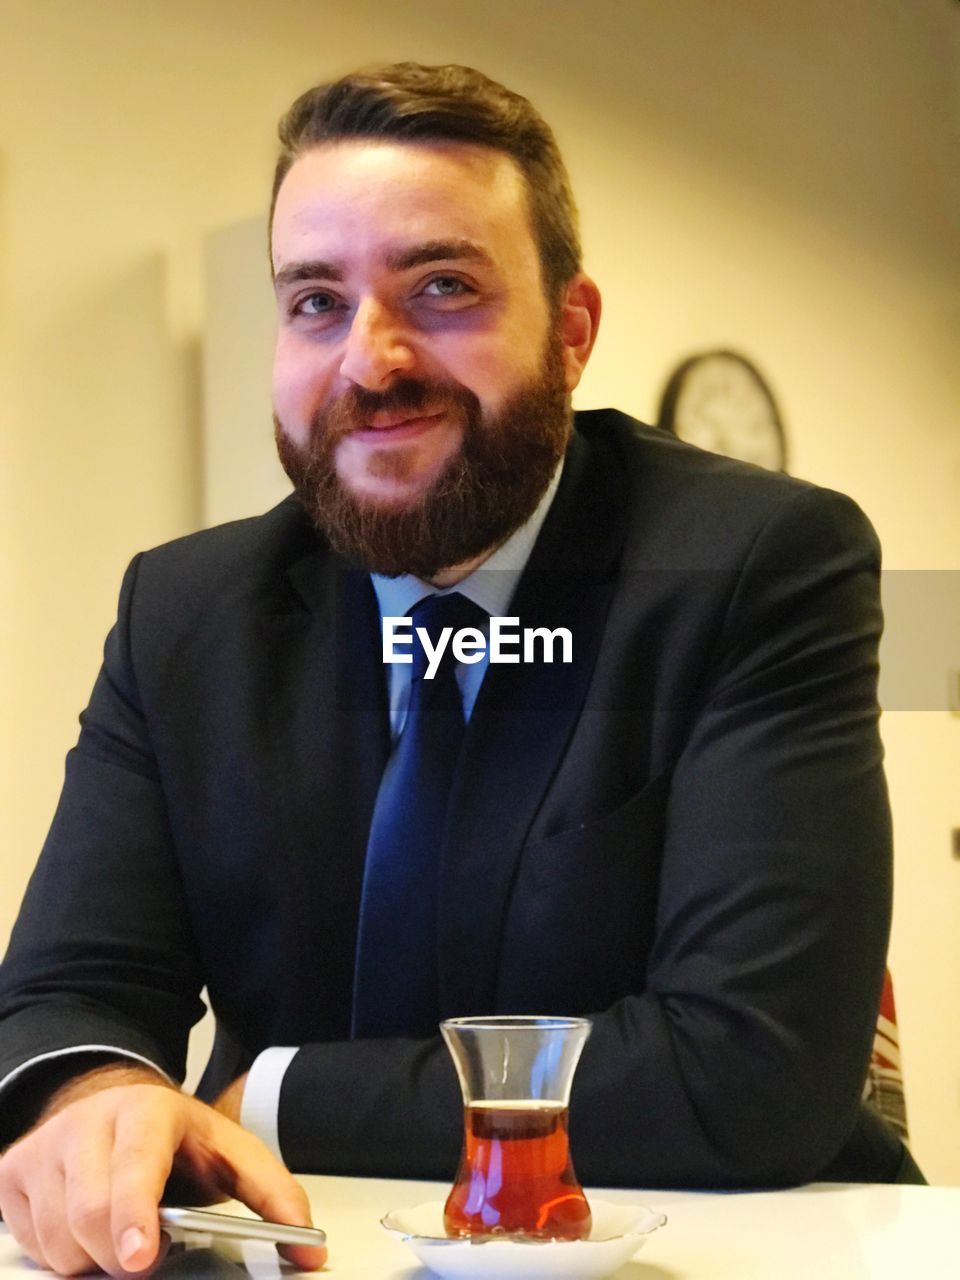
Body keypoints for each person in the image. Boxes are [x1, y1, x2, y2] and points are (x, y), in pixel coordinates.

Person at [0, 61, 920, 1278]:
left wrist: (258, 1090)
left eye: (441, 288)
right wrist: (99, 1098)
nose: (370, 361)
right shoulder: (185, 610)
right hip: (306, 1248)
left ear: (573, 328)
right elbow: (68, 988)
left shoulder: (755, 566)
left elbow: (748, 1069)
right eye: (315, 302)